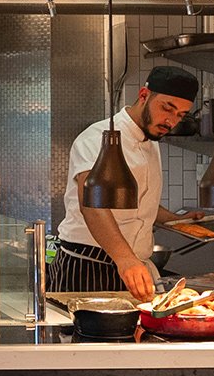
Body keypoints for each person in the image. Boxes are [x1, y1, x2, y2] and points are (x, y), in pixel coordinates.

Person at [54, 64, 203, 301]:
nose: (171, 121)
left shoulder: (151, 142)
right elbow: (93, 207)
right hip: (89, 265)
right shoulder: (97, 138)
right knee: (85, 337)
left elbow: (139, 205)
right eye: (167, 108)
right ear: (143, 96)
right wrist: (125, 259)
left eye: (180, 115)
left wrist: (177, 221)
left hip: (133, 267)